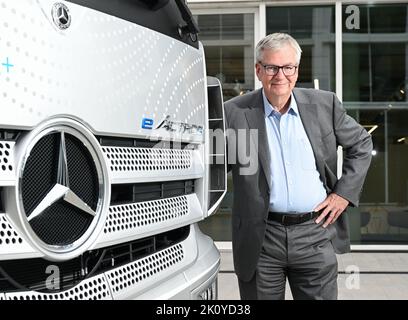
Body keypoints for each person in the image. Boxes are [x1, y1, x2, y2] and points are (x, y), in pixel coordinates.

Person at [224, 33, 373, 300]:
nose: (280, 75)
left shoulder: (323, 105)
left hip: (314, 234)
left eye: (288, 67)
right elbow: (214, 163)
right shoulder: (234, 112)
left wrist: (343, 194)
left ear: (297, 69)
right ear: (258, 70)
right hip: (261, 240)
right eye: (271, 67)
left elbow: (361, 143)